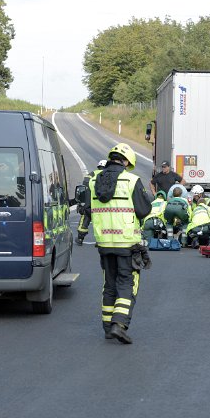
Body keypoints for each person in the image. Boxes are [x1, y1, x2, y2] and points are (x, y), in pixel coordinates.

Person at [84, 143, 152, 344]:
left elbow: (87, 208)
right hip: (127, 243)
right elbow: (143, 210)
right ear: (127, 162)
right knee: (126, 283)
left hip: (104, 242)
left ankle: (107, 327)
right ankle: (119, 325)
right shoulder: (132, 180)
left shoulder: (94, 180)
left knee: (109, 283)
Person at [76, 159, 107, 245]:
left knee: (84, 221)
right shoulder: (108, 175)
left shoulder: (91, 174)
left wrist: (82, 204)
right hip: (102, 205)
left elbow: (84, 188)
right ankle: (99, 241)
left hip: (89, 204)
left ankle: (80, 239)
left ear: (98, 166)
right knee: (102, 224)